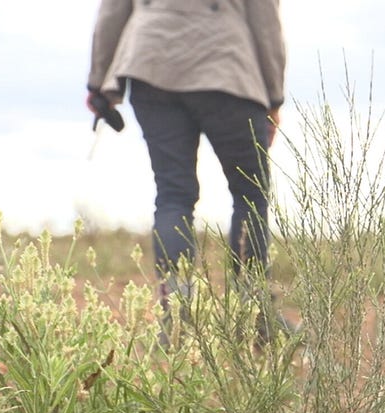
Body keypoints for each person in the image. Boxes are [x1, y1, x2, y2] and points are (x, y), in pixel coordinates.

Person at [86, 0, 286, 336]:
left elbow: (112, 11)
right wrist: (273, 96)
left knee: (173, 196)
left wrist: (98, 83)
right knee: (250, 194)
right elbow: (265, 20)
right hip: (228, 68)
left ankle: (177, 318)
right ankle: (254, 317)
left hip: (152, 64)